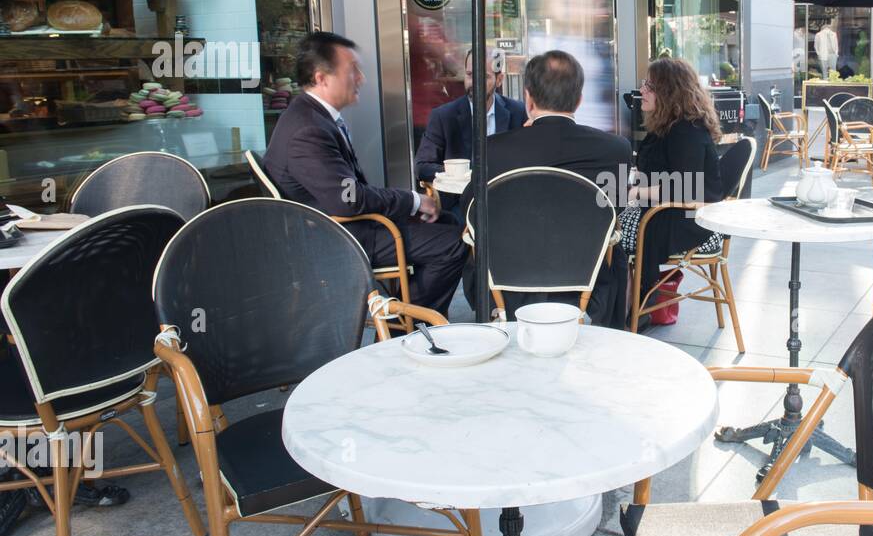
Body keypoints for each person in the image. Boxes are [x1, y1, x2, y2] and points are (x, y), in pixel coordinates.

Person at [264, 31, 467, 316]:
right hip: (337, 237)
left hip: (341, 225)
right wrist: (413, 200)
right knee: (455, 243)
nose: (361, 78)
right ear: (322, 78)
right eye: (353, 70)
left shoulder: (313, 117)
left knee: (446, 221)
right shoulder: (307, 130)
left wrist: (413, 203)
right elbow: (348, 198)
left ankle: (402, 315)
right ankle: (407, 324)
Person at [465, 49, 633, 328]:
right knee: (616, 253)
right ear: (578, 101)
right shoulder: (615, 149)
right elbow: (614, 210)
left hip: (506, 282)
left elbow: (469, 210)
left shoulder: (493, 149)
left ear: (528, 98)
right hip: (585, 282)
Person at [619, 58, 724, 313]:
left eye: (649, 86)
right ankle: (628, 305)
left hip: (689, 221)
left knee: (609, 234)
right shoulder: (671, 126)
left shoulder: (685, 133)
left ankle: (629, 309)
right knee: (610, 218)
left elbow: (685, 188)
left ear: (668, 92)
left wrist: (635, 192)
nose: (641, 90)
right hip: (669, 212)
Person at [415, 47, 526, 186]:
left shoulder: (518, 111)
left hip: (505, 198)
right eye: (469, 74)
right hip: (458, 202)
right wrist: (459, 173)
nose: (474, 83)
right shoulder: (443, 116)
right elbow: (422, 167)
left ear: (499, 80)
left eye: (484, 76)